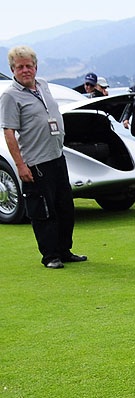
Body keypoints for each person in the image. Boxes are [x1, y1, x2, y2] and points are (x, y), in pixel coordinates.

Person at [1, 46, 86, 268]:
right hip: (36, 162)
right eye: (20, 67)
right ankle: (50, 256)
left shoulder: (44, 85)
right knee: (43, 211)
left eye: (29, 65)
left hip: (57, 156)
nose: (25, 70)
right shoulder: (10, 95)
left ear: (35, 67)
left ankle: (64, 250)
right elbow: (8, 131)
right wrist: (20, 165)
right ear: (13, 70)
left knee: (65, 207)